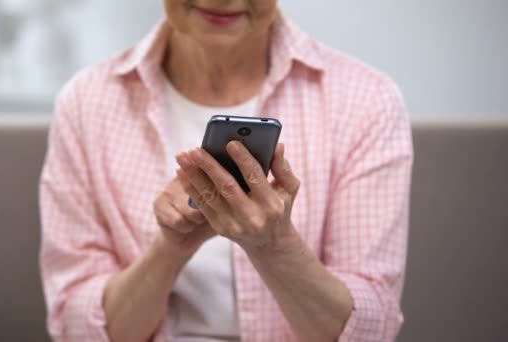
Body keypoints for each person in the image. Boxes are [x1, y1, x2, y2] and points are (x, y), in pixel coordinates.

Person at [39, 1, 413, 341]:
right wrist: (169, 249)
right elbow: (76, 328)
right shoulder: (86, 103)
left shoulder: (366, 102)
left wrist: (276, 247)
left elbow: (372, 330)